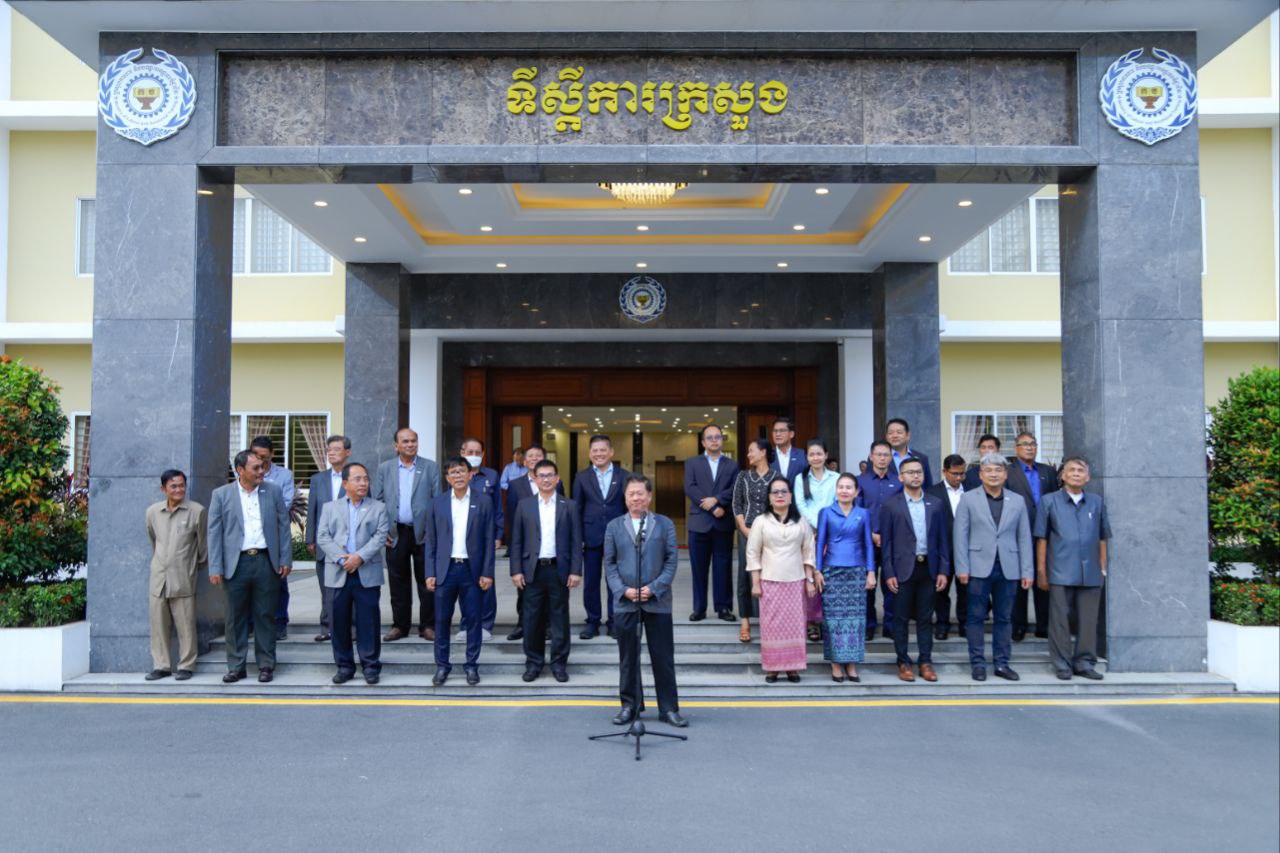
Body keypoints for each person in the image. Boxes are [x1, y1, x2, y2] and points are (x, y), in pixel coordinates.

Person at [604, 474, 686, 728]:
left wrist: (654, 588)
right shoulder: (614, 526)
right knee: (628, 658)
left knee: (663, 657)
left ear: (649, 496)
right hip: (625, 602)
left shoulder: (665, 524)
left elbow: (671, 561)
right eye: (631, 494)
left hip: (658, 601)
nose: (636, 498)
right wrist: (623, 590)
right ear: (625, 498)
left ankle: (668, 708)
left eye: (640, 493)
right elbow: (609, 564)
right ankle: (630, 705)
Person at [208, 450, 292, 684]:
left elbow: (283, 526)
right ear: (240, 470)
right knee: (235, 617)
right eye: (256, 468)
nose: (261, 471)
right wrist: (215, 566)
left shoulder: (272, 491)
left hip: (266, 561)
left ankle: (266, 665)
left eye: (262, 466)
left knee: (265, 615)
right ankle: (236, 666)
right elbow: (214, 532)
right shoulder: (221, 495)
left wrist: (286, 559)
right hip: (235, 564)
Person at [953, 452, 1033, 682]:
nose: (994, 474)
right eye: (988, 470)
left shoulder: (1017, 501)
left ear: (1006, 474)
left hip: (1009, 567)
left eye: (998, 470)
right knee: (975, 617)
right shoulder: (968, 499)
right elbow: (960, 536)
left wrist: (1027, 570)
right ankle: (978, 664)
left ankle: (1002, 663)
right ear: (980, 475)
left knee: (1004, 618)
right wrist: (962, 568)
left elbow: (1024, 538)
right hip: (977, 568)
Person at [1034, 457, 1111, 681]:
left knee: (1088, 621)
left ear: (1088, 477)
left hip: (1091, 572)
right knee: (1060, 621)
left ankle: (1085, 663)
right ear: (1063, 475)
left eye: (1081, 470)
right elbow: (1042, 538)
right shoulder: (1049, 501)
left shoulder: (1096, 502)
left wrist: (1103, 566)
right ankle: (1062, 664)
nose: (1076, 473)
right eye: (1072, 470)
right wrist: (1041, 571)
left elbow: (1103, 537)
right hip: (1060, 570)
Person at [316, 462, 388, 685]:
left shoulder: (378, 507)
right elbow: (323, 536)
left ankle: (370, 665)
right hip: (338, 572)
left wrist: (359, 557)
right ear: (345, 483)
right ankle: (344, 666)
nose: (363, 483)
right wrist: (341, 558)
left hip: (366, 571)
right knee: (338, 622)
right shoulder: (330, 507)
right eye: (358, 479)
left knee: (369, 622)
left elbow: (380, 535)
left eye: (366, 479)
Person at [510, 459, 582, 682]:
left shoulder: (569, 506)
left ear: (557, 479)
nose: (546, 479)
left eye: (550, 475)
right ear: (534, 478)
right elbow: (516, 540)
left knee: (560, 618)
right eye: (541, 475)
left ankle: (559, 664)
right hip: (532, 571)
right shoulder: (525, 505)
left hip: (559, 570)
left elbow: (575, 541)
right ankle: (534, 663)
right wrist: (516, 570)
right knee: (532, 619)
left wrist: (575, 570)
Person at [426, 457, 496, 687]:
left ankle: (471, 666)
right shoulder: (437, 503)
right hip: (445, 570)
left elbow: (489, 540)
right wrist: (430, 572)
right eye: (453, 472)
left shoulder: (483, 501)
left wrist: (487, 572)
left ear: (470, 474)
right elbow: (431, 541)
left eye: (461, 471)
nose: (457, 476)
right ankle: (442, 666)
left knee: (473, 620)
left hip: (471, 570)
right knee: (441, 620)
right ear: (447, 478)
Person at [879, 458, 950, 682]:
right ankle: (903, 661)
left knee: (925, 618)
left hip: (928, 568)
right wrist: (889, 572)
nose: (915, 476)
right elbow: (886, 543)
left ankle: (925, 661)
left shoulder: (936, 504)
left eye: (919, 472)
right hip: (902, 570)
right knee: (900, 619)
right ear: (901, 477)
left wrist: (943, 570)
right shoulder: (891, 505)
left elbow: (943, 540)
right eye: (910, 472)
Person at [372, 427, 440, 643]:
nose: (410, 444)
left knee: (427, 581)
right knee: (398, 582)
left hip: (424, 534)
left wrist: (433, 531)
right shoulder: (385, 468)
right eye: (405, 441)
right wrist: (382, 530)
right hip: (396, 533)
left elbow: (437, 500)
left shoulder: (430, 467)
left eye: (413, 441)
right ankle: (400, 626)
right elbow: (378, 501)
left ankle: (428, 625)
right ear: (396, 446)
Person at [746, 477, 817, 683]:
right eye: (775, 492)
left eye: (783, 491)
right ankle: (773, 669)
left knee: (795, 626)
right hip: (770, 581)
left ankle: (793, 668)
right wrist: (756, 582)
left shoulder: (801, 521)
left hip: (796, 581)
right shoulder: (761, 521)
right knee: (772, 627)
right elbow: (753, 553)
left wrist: (809, 579)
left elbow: (808, 551)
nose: (779, 495)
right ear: (769, 498)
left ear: (790, 496)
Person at [144, 469, 207, 682]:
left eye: (182, 485)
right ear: (163, 489)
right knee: (158, 625)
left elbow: (203, 548)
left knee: (186, 625)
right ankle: (161, 666)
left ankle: (186, 665)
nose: (179, 490)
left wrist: (190, 568)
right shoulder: (152, 512)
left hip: (183, 577)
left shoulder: (197, 511)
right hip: (158, 578)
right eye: (174, 486)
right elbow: (153, 541)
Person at [814, 473, 875, 682]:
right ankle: (835, 664)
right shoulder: (826, 512)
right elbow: (820, 542)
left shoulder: (863, 513)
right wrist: (817, 570)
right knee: (833, 619)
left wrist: (871, 571)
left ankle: (851, 663)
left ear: (856, 491)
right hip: (832, 570)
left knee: (855, 619)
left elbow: (868, 543)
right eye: (841, 487)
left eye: (849, 487)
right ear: (836, 490)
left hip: (856, 571)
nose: (844, 491)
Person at [572, 434, 629, 640]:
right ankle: (592, 621)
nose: (599, 454)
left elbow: (629, 507)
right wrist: (578, 537)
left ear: (611, 452)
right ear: (590, 453)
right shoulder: (581, 477)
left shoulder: (624, 476)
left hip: (618, 536)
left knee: (615, 581)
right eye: (594, 450)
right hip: (591, 537)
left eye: (602, 450)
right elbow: (576, 509)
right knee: (591, 582)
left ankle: (614, 621)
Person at [502, 444, 562, 641]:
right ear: (525, 460)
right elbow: (512, 517)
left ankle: (548, 626)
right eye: (531, 456)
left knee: (550, 592)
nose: (534, 458)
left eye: (538, 455)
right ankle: (522, 624)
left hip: (549, 546)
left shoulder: (555, 482)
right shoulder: (515, 484)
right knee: (524, 591)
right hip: (527, 547)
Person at [1005, 431, 1060, 641]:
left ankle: (1043, 625)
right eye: (1025, 444)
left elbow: (1054, 500)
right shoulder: (1008, 472)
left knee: (1043, 577)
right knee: (1020, 580)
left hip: (1045, 533)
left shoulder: (1048, 472)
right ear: (1016, 448)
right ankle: (1018, 626)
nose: (1029, 447)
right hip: (1018, 532)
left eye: (1033, 444)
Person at [683, 423, 738, 622]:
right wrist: (713, 507)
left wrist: (717, 500)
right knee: (698, 569)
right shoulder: (692, 463)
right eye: (710, 437)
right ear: (703, 442)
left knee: (723, 567)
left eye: (718, 437)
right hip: (699, 524)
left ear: (722, 440)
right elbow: (690, 488)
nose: (714, 440)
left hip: (723, 523)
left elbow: (735, 489)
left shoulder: (732, 465)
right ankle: (699, 609)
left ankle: (723, 608)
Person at [305, 434, 351, 643]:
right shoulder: (318, 479)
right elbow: (312, 510)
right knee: (326, 589)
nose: (331, 453)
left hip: (348, 544)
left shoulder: (356, 476)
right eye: (329, 449)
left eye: (336, 449)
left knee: (349, 589)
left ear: (347, 452)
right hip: (324, 543)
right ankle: (327, 627)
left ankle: (351, 629)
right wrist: (310, 539)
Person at [731, 438, 776, 643]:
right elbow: (737, 504)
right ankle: (745, 621)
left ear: (763, 452)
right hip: (746, 531)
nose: (748, 454)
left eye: (752, 451)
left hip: (771, 533)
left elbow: (781, 505)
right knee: (745, 575)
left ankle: (769, 621)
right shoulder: (743, 476)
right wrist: (744, 529)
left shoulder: (777, 477)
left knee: (770, 576)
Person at [857, 440, 902, 640]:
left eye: (886, 455)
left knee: (892, 585)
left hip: (892, 541)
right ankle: (869, 625)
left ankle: (890, 625)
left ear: (891, 458)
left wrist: (887, 535)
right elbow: (857, 512)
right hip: (867, 541)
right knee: (868, 585)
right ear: (871, 456)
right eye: (879, 454)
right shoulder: (861, 481)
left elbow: (901, 512)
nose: (882, 458)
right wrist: (872, 534)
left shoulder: (899, 482)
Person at [251, 435, 295, 641]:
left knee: (278, 580)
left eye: (264, 456)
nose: (260, 460)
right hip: (251, 537)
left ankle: (279, 622)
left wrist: (258, 512)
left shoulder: (284, 476)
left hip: (274, 536)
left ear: (272, 454)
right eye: (256, 455)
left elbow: (284, 505)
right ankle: (251, 623)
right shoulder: (246, 471)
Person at [458, 436, 502, 641]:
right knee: (464, 582)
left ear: (483, 455)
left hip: (486, 536)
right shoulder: (456, 474)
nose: (473, 456)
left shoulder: (491, 475)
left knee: (486, 579)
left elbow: (498, 508)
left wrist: (499, 534)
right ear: (462, 453)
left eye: (477, 453)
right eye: (470, 452)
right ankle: (466, 624)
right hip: (462, 536)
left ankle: (485, 624)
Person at [792, 438, 835, 642]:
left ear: (826, 455)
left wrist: (825, 526)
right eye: (812, 454)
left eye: (819, 453)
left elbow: (838, 502)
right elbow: (800, 505)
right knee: (809, 575)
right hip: (808, 533)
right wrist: (817, 525)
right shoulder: (800, 479)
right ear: (806, 457)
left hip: (832, 533)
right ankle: (811, 621)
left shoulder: (836, 478)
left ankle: (829, 619)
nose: (816, 457)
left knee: (829, 575)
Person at [926, 454, 968, 640]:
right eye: (955, 474)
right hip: (942, 550)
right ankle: (942, 624)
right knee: (940, 589)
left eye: (962, 474)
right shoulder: (932, 492)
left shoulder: (971, 491)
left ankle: (964, 624)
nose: (959, 478)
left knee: (965, 590)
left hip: (966, 550)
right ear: (944, 471)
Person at [883, 417, 933, 486]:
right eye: (890, 433)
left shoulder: (922, 458)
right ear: (886, 436)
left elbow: (928, 486)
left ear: (908, 435)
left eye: (899, 432)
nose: (894, 436)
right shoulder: (878, 458)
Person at [769, 416, 805, 484]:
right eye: (775, 431)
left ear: (791, 434)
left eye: (782, 430)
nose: (777, 434)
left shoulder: (803, 455)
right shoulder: (767, 455)